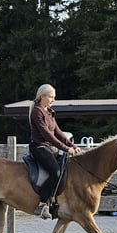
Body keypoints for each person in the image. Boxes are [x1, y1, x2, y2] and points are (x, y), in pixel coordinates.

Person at [28, 84, 82, 219]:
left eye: (54, 97)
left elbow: (58, 132)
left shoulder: (49, 111)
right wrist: (66, 148)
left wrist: (72, 145)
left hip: (49, 148)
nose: (53, 100)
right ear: (42, 96)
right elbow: (48, 136)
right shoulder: (37, 111)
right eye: (51, 97)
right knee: (55, 172)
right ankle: (41, 205)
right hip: (39, 147)